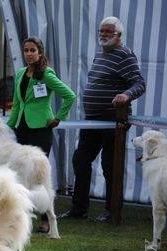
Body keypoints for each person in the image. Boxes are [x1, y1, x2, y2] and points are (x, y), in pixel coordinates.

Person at [60, 16, 145, 223]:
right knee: (80, 160)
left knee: (110, 166)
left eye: (109, 32)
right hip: (92, 120)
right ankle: (78, 209)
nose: (104, 35)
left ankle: (112, 211)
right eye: (101, 31)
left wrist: (126, 95)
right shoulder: (100, 54)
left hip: (113, 121)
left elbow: (140, 84)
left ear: (119, 36)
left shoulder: (125, 55)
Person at [7, 37, 76, 233]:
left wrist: (58, 118)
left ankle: (46, 220)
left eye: (32, 50)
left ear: (40, 52)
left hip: (40, 130)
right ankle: (20, 218)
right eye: (26, 50)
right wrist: (8, 128)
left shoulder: (46, 74)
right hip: (22, 129)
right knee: (20, 175)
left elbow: (70, 95)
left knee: (39, 177)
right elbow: (17, 105)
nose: (29, 54)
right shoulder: (20, 73)